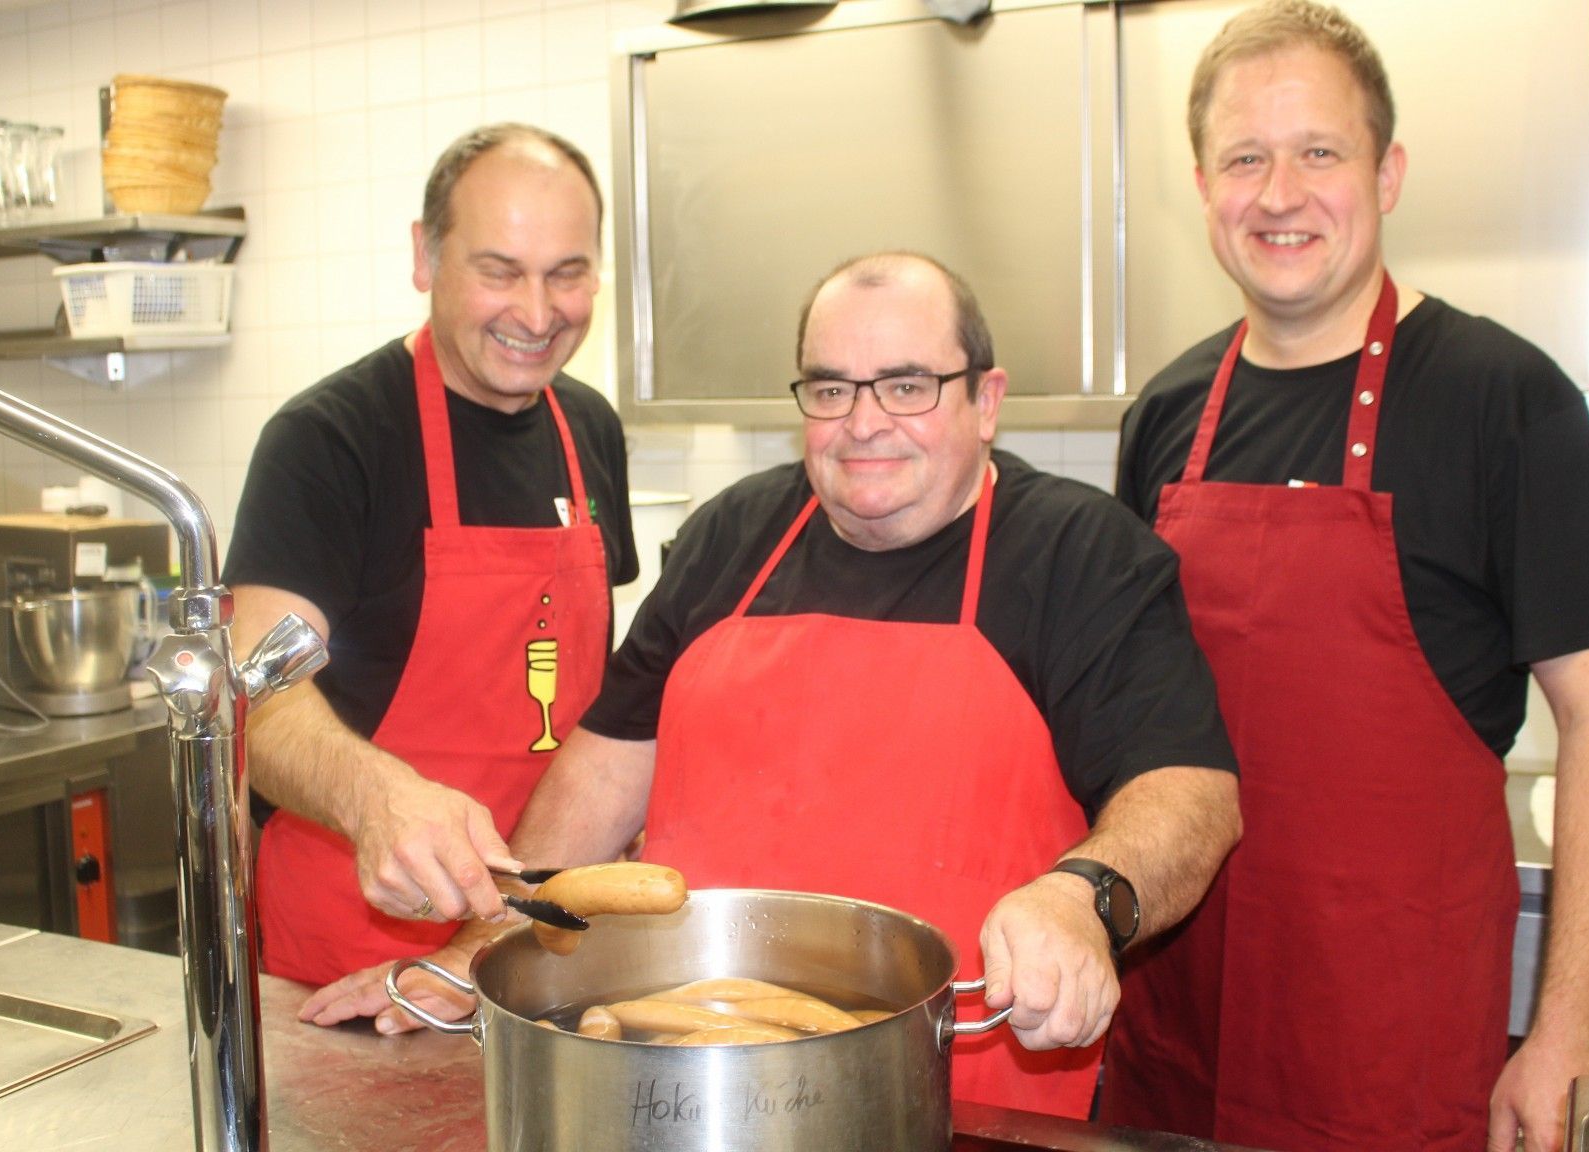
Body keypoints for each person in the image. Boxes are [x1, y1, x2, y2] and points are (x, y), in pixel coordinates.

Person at [352, 250, 1240, 1114]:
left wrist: (1083, 896)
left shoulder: (1080, 555)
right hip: (691, 1084)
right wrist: (475, 956)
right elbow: (599, 779)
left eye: (907, 385)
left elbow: (1191, 794)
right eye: (831, 389)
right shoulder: (731, 536)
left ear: (986, 402)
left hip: (964, 1096)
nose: (864, 423)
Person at [1099, 5, 1589, 1152]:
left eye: (1321, 152)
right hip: (1175, 1031)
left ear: (1388, 171)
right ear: (1203, 182)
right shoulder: (1164, 414)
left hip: (1384, 1046)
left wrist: (1569, 1036)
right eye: (1247, 157)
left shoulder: (1502, 398)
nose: (1280, 192)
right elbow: (1112, 714)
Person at [222, 123, 638, 1008]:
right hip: (356, 949)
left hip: (539, 937)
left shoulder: (591, 429)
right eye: (499, 270)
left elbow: (587, 691)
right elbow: (252, 695)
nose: (537, 312)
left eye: (567, 272)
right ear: (425, 256)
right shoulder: (330, 440)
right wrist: (378, 800)